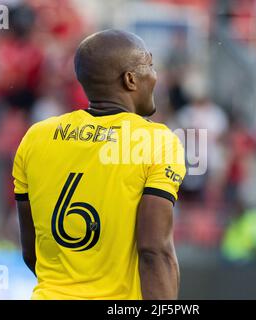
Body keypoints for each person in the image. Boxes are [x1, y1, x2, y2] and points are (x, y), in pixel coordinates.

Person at [13, 29, 186, 300]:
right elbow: (155, 251)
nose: (155, 76)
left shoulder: (36, 137)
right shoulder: (156, 141)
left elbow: (30, 251)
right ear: (130, 80)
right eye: (150, 65)